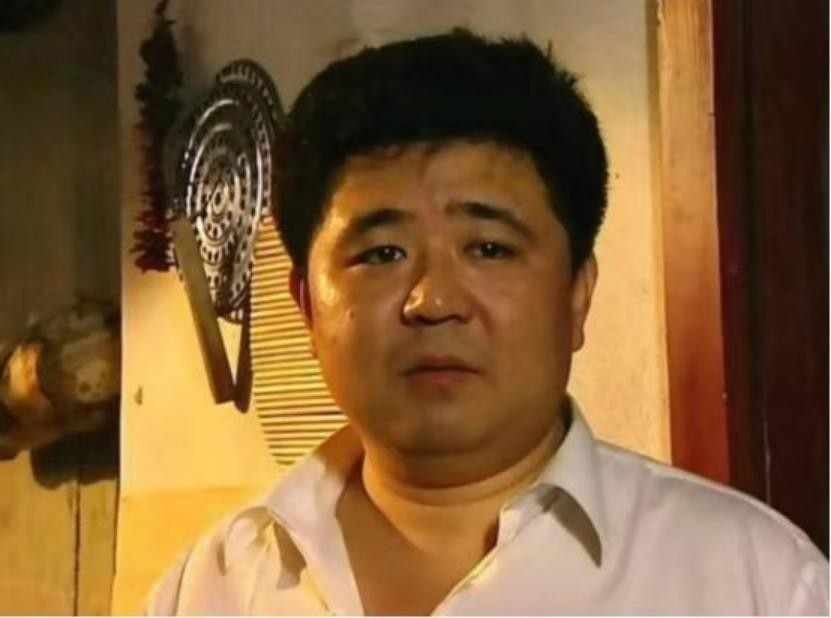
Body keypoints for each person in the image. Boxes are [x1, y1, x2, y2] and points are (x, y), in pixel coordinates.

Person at [146, 30, 828, 615]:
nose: (433, 300)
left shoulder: (753, 580)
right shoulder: (209, 589)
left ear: (577, 295)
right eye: (381, 254)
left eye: (489, 249)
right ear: (307, 306)